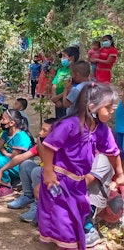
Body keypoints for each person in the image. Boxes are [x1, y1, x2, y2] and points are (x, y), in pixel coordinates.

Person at [37, 83, 124, 250]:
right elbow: (49, 146)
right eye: (108, 107)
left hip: (77, 185)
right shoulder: (70, 124)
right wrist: (48, 172)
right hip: (58, 180)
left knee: (74, 219)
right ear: (93, 107)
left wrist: (119, 174)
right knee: (64, 223)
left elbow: (113, 153)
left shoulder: (102, 130)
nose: (112, 110)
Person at [0, 118, 56, 221]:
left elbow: (49, 167)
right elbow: (20, 158)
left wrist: (40, 145)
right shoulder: (41, 145)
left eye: (44, 130)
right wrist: (2, 170)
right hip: (45, 179)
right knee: (25, 164)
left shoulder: (59, 148)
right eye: (41, 129)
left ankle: (39, 207)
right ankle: (28, 196)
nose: (39, 133)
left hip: (57, 185)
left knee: (37, 171)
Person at [0, 109, 32, 198]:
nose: (1, 121)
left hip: (18, 165)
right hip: (8, 159)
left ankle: (6, 185)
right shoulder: (6, 132)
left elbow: (14, 158)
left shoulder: (21, 136)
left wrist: (3, 151)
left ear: (12, 123)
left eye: (3, 119)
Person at [50, 46, 79, 119]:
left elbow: (71, 89)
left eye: (64, 56)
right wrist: (55, 98)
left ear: (71, 58)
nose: (62, 59)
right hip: (58, 103)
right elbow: (54, 85)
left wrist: (58, 97)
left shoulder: (76, 72)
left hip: (68, 102)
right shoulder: (60, 70)